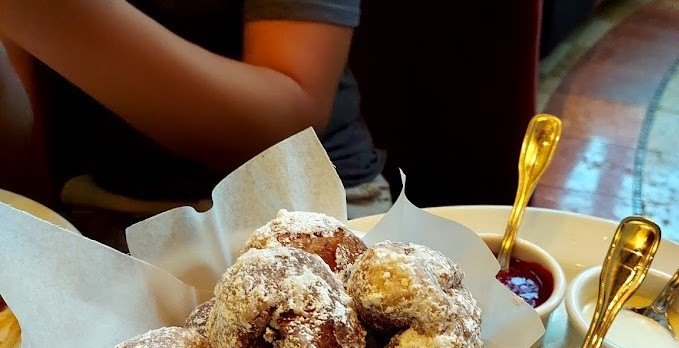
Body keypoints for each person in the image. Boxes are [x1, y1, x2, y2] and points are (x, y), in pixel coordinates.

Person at [0, 0, 389, 248]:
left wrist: (46, 15)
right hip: (97, 222)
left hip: (305, 210)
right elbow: (27, 171)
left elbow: (288, 126)